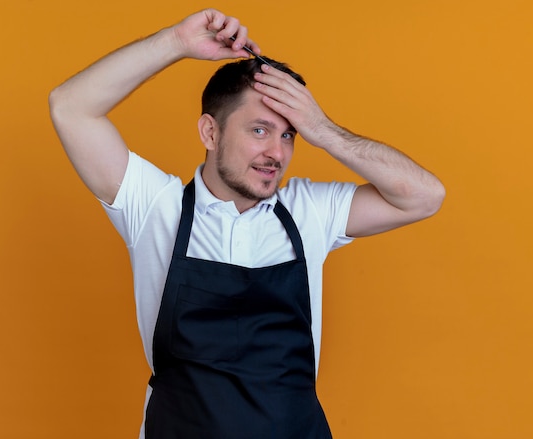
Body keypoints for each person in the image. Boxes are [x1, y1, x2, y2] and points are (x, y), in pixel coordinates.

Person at [49, 8, 445, 439]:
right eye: (260, 130)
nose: (276, 151)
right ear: (210, 133)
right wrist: (176, 43)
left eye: (289, 133)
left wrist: (323, 129)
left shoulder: (310, 211)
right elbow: (70, 107)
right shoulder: (156, 208)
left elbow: (424, 196)